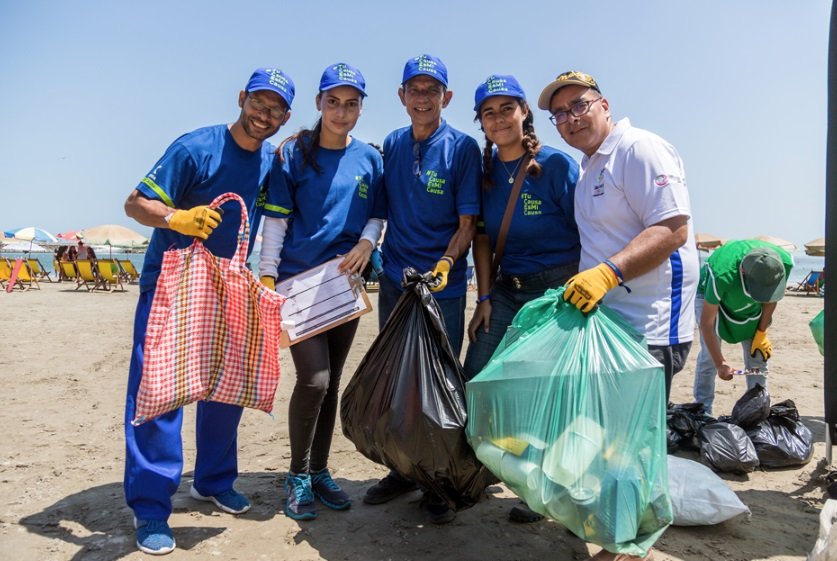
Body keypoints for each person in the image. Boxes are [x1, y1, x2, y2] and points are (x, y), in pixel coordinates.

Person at [123, 67, 294, 555]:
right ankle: (153, 507)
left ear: (285, 117)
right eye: (259, 103)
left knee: (226, 382)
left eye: (276, 109)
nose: (265, 115)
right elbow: (136, 203)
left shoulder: (270, 163)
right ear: (241, 98)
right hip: (173, 284)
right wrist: (177, 216)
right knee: (160, 390)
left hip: (231, 284)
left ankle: (214, 479)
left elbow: (277, 218)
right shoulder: (195, 147)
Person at [539, 71, 699, 561]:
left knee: (632, 446)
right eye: (559, 114)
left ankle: (628, 549)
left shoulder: (638, 149)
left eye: (579, 106)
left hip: (652, 323)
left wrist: (607, 274)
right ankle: (613, 531)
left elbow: (672, 229)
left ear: (604, 104)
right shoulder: (588, 168)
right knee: (607, 440)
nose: (570, 119)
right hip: (609, 325)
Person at [258, 62, 384, 522]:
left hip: (343, 286)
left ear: (361, 108)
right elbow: (275, 221)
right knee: (314, 380)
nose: (342, 111)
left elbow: (377, 215)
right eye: (333, 101)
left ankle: (321, 470)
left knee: (330, 384)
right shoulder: (292, 153)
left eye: (352, 104)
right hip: (295, 284)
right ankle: (296, 476)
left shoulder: (370, 159)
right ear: (319, 103)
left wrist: (367, 243)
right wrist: (267, 278)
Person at [362, 53, 481, 524]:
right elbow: (376, 204)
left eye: (433, 90)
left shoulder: (463, 148)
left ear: (446, 97)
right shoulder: (392, 144)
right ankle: (403, 470)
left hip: (442, 289)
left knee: (441, 388)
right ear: (402, 96)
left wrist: (448, 263)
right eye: (415, 89)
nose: (423, 97)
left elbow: (468, 222)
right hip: (395, 283)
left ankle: (439, 480)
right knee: (398, 381)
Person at [463, 75, 580, 523]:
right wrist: (484, 297)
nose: (498, 119)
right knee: (478, 376)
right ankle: (490, 464)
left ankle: (542, 488)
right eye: (488, 113)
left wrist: (582, 296)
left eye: (506, 109)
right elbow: (484, 242)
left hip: (556, 291)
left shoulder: (555, 166)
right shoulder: (486, 174)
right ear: (482, 122)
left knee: (545, 392)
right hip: (506, 292)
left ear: (524, 112)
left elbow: (586, 233)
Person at [693, 241, 793, 415]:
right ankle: (703, 412)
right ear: (743, 272)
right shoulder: (722, 274)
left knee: (758, 355)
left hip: (748, 302)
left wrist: (761, 333)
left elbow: (771, 299)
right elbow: (707, 323)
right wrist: (721, 364)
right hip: (710, 296)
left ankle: (756, 411)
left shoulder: (783, 263)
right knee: (709, 357)